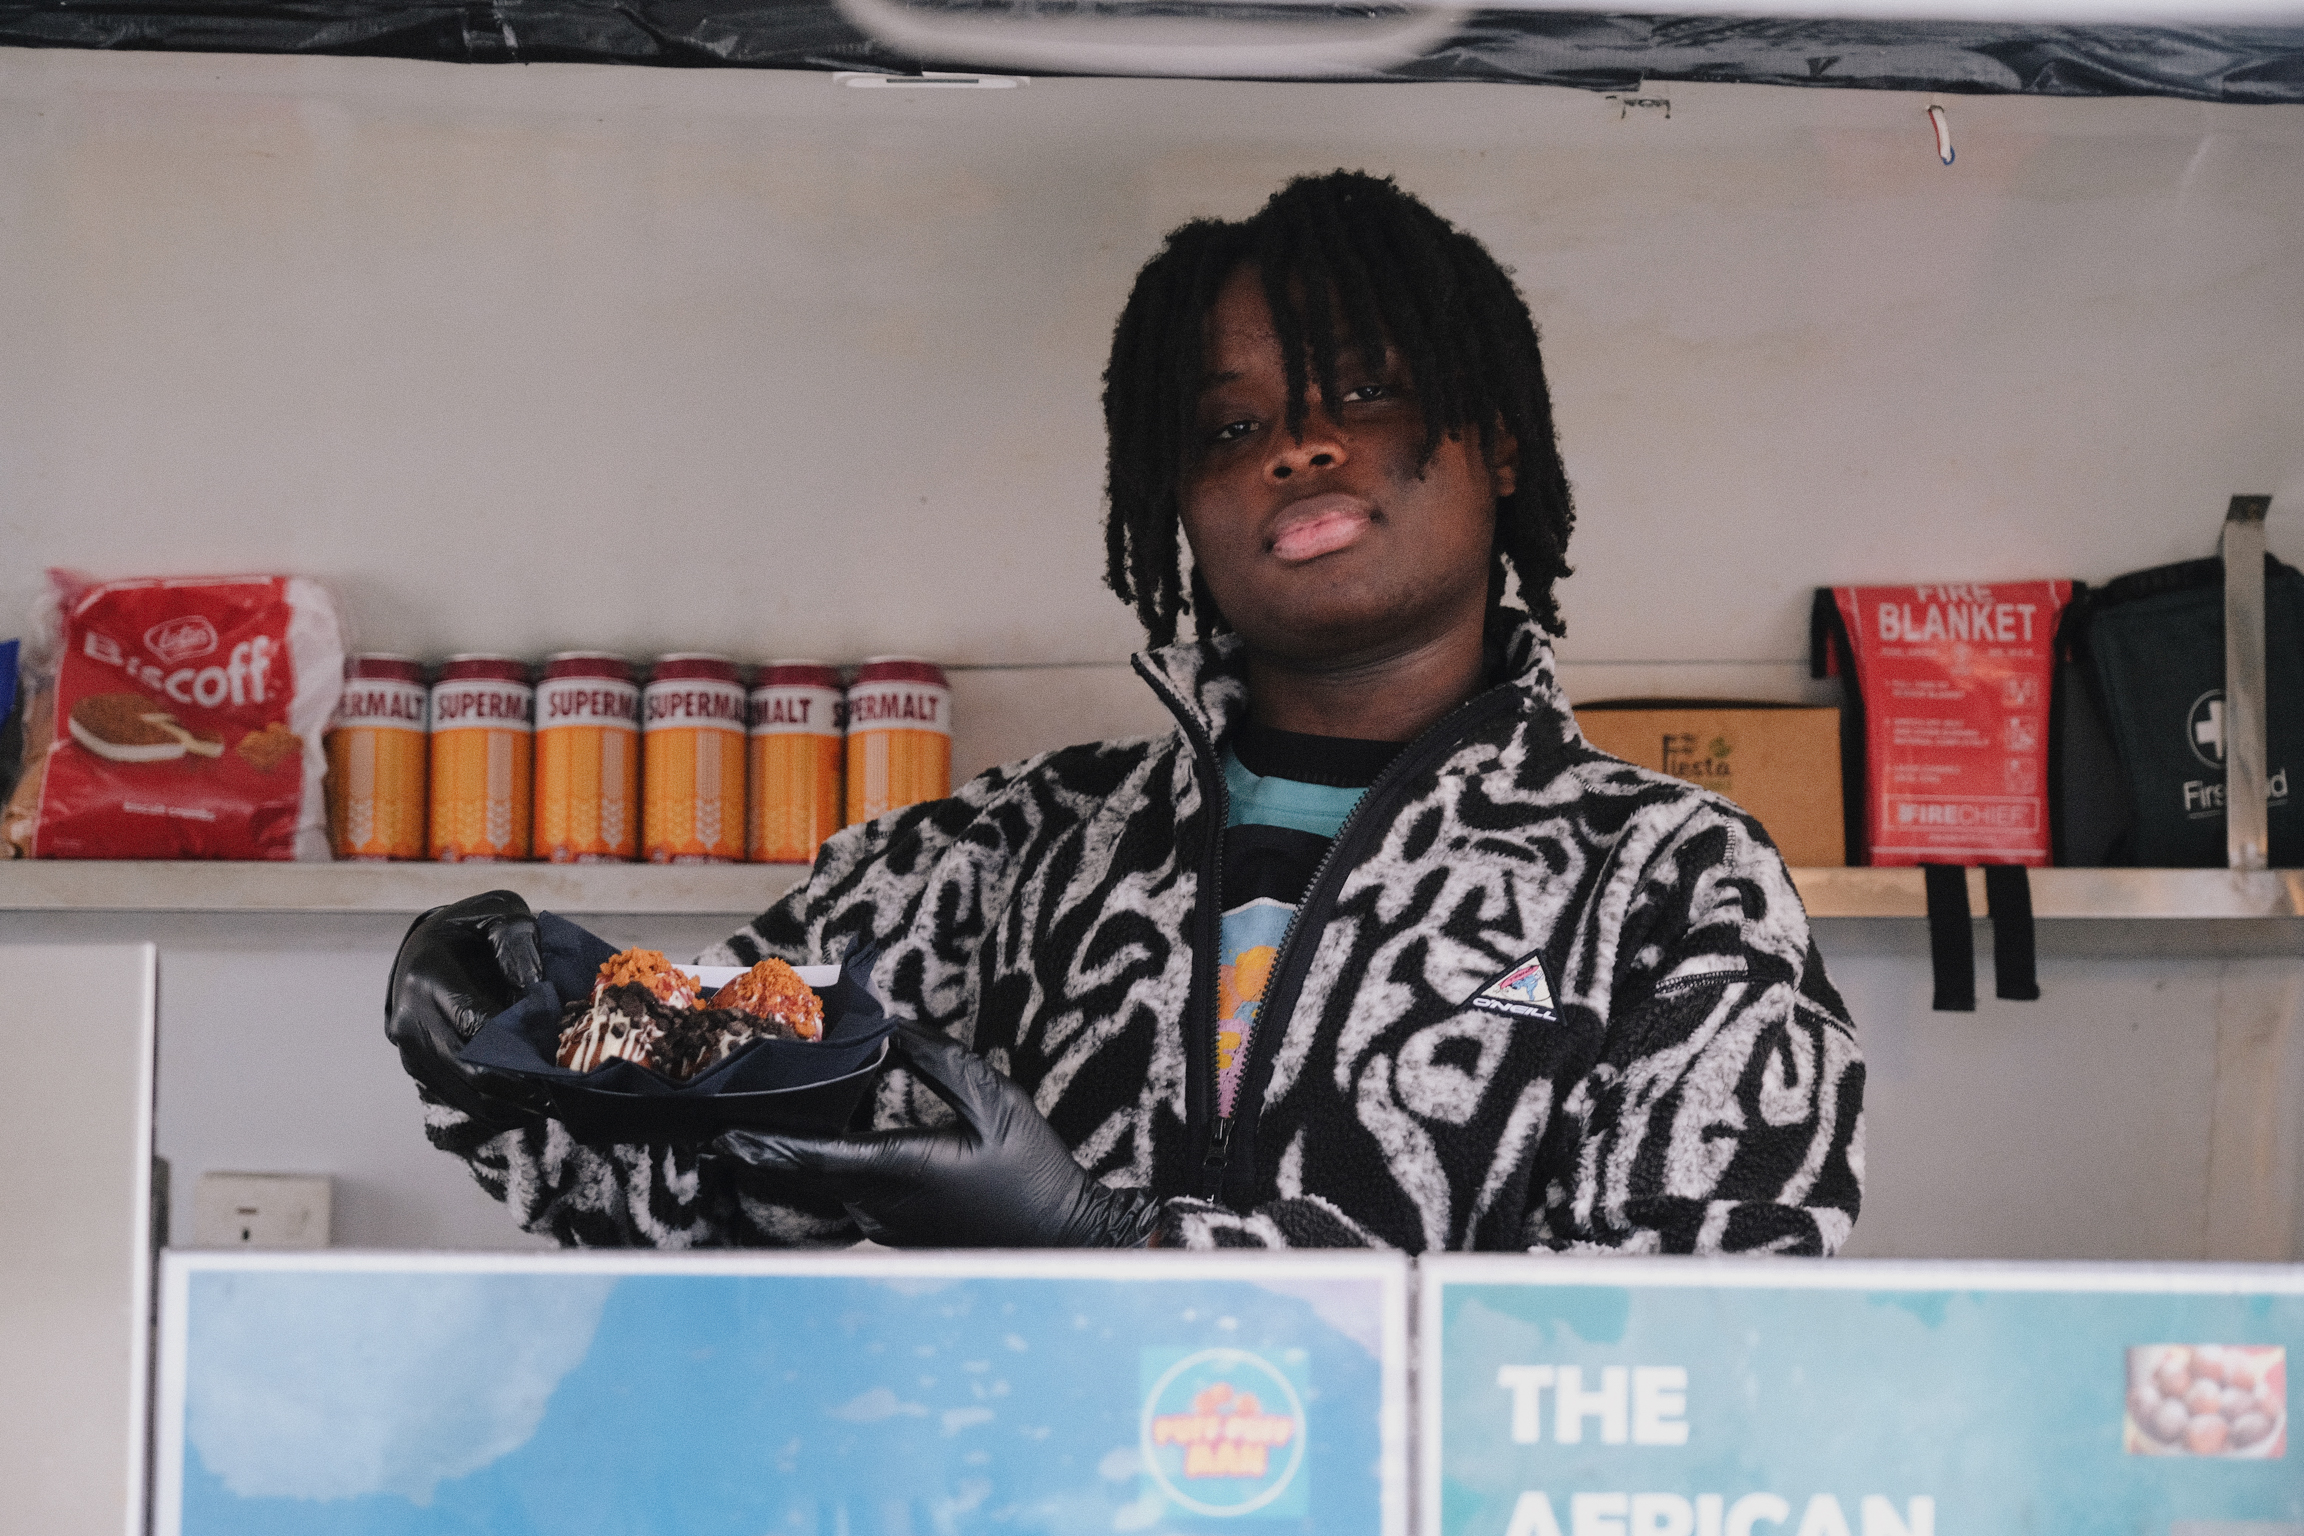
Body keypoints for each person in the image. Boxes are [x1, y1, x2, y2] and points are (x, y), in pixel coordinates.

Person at [387, 171, 1864, 1254]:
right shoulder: (994, 858)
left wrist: (1106, 1244)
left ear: (1502, 447)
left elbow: (1712, 1327)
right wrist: (498, 1060)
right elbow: (676, 1197)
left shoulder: (1666, 879)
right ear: (1174, 500)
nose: (1297, 447)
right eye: (1231, 425)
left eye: (1363, 390)